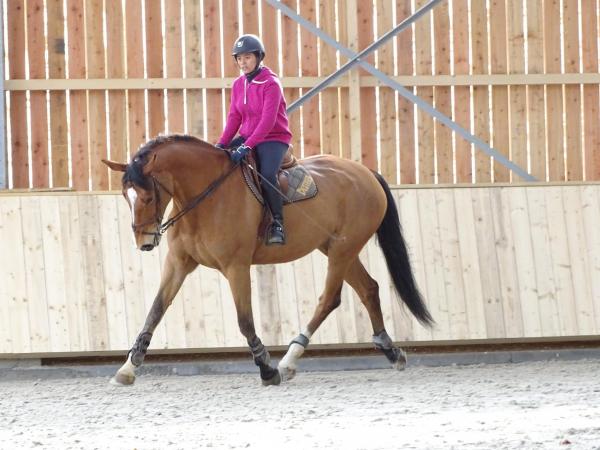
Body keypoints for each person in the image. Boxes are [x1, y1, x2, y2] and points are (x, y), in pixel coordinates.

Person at [216, 34, 292, 246]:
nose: (243, 63)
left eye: (247, 57)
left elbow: (267, 122)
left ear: (259, 57)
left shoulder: (271, 84)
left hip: (273, 137)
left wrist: (246, 146)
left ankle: (277, 223)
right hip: (249, 136)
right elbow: (234, 117)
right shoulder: (238, 84)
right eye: (239, 59)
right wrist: (222, 144)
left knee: (267, 174)